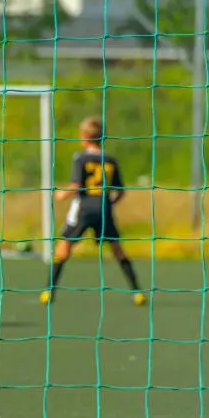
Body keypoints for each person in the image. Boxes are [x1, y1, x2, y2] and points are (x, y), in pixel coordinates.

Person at [41, 116, 145, 306]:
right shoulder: (110, 160)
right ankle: (137, 291)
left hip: (84, 208)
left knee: (63, 247)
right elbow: (121, 191)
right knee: (118, 250)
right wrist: (108, 204)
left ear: (84, 137)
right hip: (104, 208)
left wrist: (61, 195)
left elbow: (76, 185)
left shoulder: (81, 158)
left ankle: (49, 290)